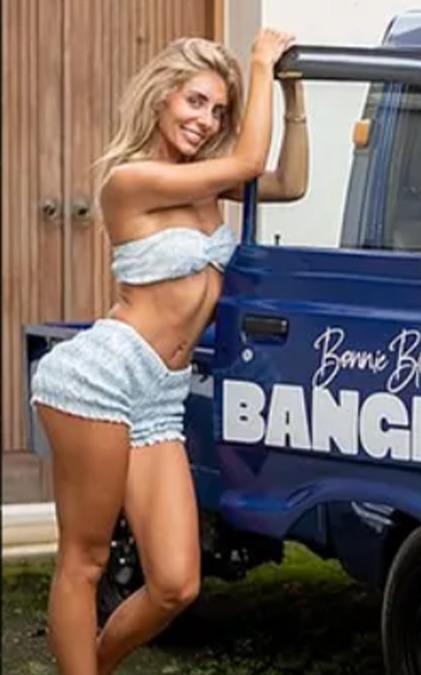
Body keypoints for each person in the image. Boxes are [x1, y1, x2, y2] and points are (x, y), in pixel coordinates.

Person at [28, 29, 308, 675]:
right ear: (162, 98)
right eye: (195, 101)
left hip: (161, 392)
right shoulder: (132, 180)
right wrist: (260, 62)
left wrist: (293, 95)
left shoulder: (202, 187)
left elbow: (289, 181)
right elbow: (249, 162)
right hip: (102, 377)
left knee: (177, 583)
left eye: (217, 111)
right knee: (86, 559)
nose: (205, 120)